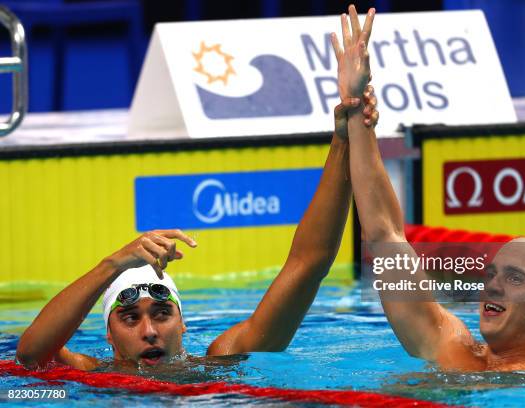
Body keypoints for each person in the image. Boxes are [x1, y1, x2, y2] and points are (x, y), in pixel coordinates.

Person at [15, 8, 377, 369]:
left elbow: (309, 263)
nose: (150, 331)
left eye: (162, 314)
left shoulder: (218, 362)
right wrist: (113, 265)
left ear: (183, 324)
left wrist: (342, 140)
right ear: (108, 334)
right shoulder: (89, 374)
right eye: (129, 318)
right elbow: (31, 355)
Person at [331, 5, 525, 381]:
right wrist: (356, 107)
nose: (492, 285)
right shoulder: (452, 349)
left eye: (515, 278)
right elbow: (385, 236)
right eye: (492, 274)